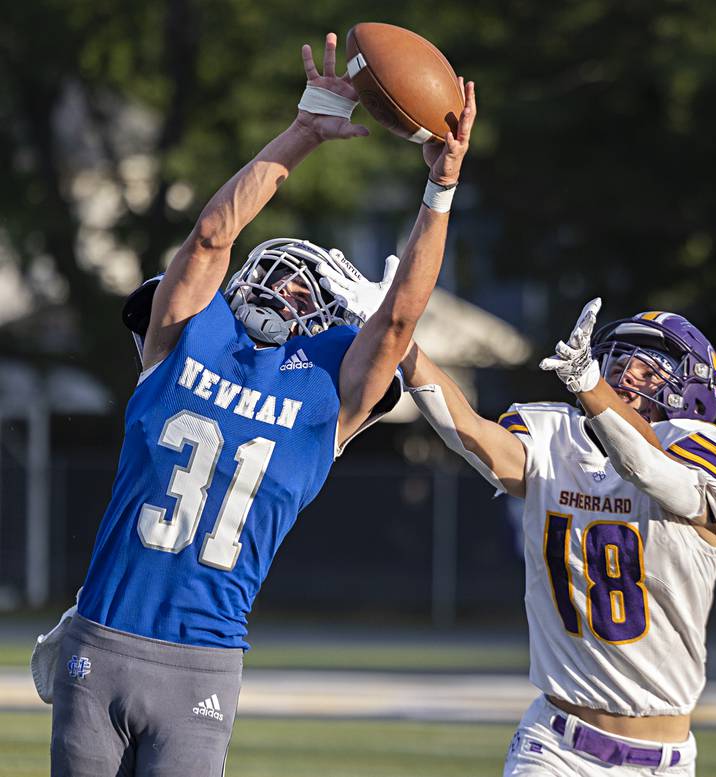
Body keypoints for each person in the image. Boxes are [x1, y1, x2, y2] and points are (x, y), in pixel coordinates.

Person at [35, 33, 476, 775]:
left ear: (329, 319)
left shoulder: (327, 388)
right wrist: (303, 131)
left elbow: (399, 320)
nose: (286, 288)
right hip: (105, 636)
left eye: (308, 290)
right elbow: (212, 235)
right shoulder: (184, 336)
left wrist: (441, 189)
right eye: (277, 271)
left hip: (203, 665)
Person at [393, 298, 716, 776]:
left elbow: (647, 467)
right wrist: (399, 337)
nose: (626, 377)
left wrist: (591, 387)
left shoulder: (705, 453)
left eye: (647, 372)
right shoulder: (555, 438)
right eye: (619, 364)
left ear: (691, 394)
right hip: (555, 745)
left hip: (664, 761)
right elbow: (467, 431)